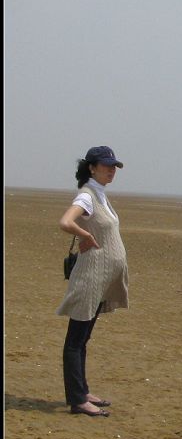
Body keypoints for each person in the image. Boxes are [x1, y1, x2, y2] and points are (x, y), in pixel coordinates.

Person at [56, 146, 128, 418]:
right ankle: (77, 400)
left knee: (83, 338)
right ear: (92, 167)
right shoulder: (87, 195)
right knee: (76, 339)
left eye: (114, 166)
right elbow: (65, 222)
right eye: (106, 165)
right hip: (89, 277)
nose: (111, 170)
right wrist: (84, 236)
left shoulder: (100, 194)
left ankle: (82, 391)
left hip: (100, 279)